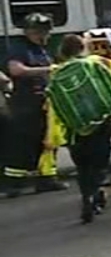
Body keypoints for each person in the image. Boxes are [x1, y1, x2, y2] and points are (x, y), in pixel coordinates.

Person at [53, 34, 111, 223]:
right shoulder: (94, 65)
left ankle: (86, 196)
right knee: (99, 162)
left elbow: (55, 102)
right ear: (83, 48)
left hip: (74, 128)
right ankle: (96, 193)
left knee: (82, 166)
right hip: (99, 123)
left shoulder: (57, 73)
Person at [3, 13, 68, 197]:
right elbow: (16, 70)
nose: (46, 36)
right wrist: (47, 70)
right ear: (32, 32)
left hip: (43, 101)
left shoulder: (41, 50)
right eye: (43, 32)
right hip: (26, 102)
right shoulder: (19, 49)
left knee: (48, 140)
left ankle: (47, 179)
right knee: (23, 143)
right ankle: (14, 183)